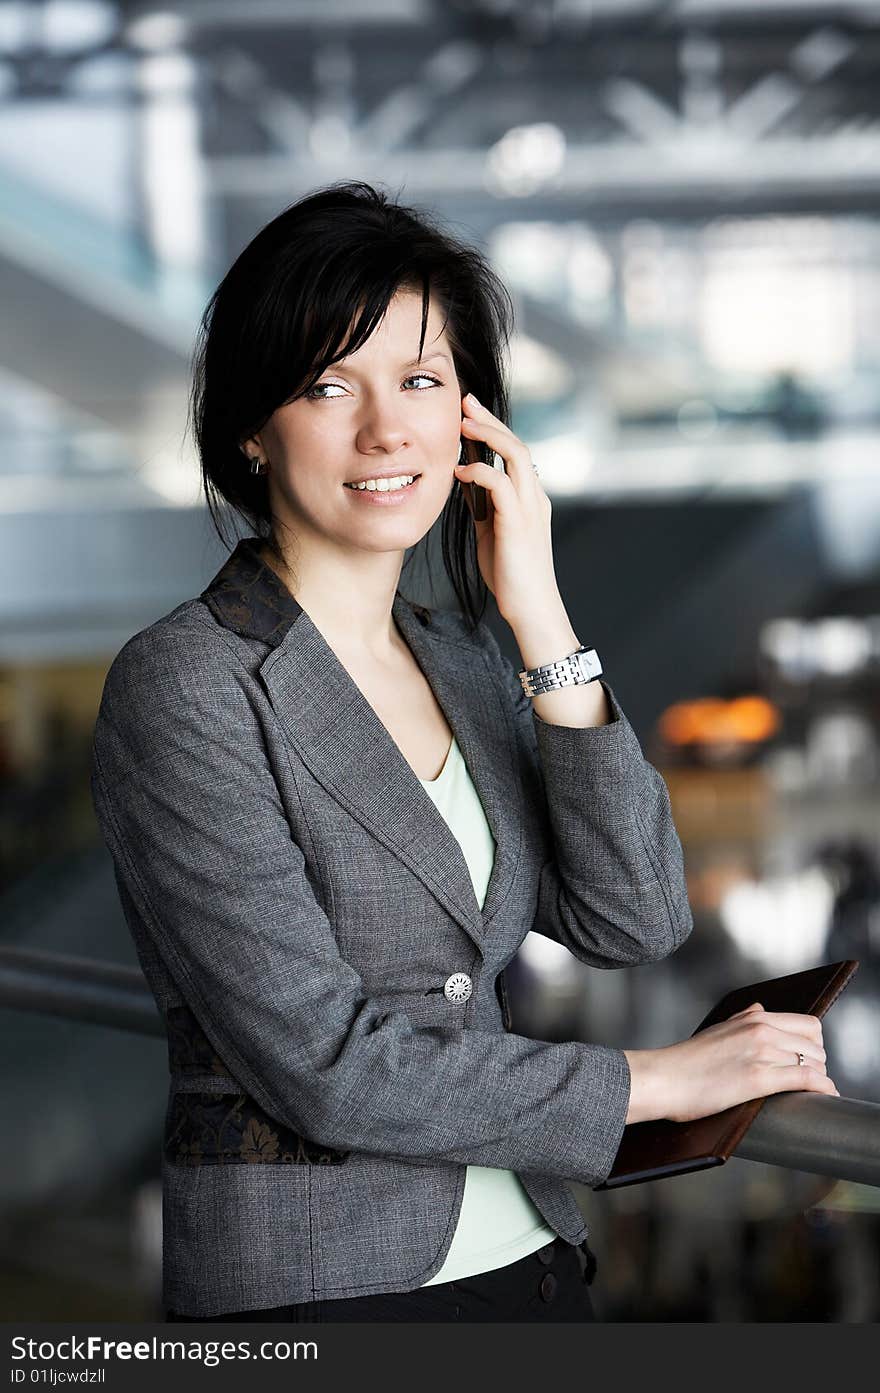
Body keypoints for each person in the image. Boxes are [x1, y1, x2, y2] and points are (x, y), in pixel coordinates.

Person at [90, 181, 838, 1323]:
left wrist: (539, 615)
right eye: (328, 385)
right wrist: (659, 1082)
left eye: (422, 382)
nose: (386, 430)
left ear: (471, 419)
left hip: (530, 1255)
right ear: (251, 426)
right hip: (324, 1291)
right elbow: (323, 1062)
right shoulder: (188, 683)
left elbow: (633, 918)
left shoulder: (466, 658)